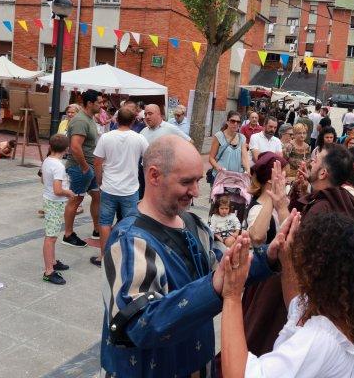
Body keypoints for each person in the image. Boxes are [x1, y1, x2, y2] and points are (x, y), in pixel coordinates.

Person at [100, 135, 281, 377]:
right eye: (186, 182)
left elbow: (228, 267)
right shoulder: (130, 239)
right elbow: (139, 324)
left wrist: (270, 255)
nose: (195, 191)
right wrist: (214, 287)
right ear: (154, 176)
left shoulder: (193, 223)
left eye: (197, 180)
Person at [220, 212, 354, 378]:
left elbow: (240, 374)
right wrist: (286, 258)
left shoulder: (320, 339)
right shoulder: (336, 319)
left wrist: (232, 295)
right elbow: (296, 306)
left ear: (315, 270)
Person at [241, 153, 291, 355]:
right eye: (283, 175)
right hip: (260, 279)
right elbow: (258, 236)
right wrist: (271, 196)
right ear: (272, 178)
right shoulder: (257, 208)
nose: (287, 179)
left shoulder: (280, 204)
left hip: (277, 277)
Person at [91, 107, 149, 267]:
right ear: (132, 121)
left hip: (109, 187)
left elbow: (97, 161)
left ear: (116, 120)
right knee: (130, 223)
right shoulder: (139, 139)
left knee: (105, 222)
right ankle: (126, 255)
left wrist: (99, 180)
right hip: (130, 189)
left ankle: (104, 256)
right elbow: (149, 160)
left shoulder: (106, 137)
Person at [63, 90, 102, 248]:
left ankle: (97, 230)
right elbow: (75, 147)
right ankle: (68, 234)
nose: (102, 105)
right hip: (80, 168)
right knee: (76, 200)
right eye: (99, 102)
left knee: (97, 196)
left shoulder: (89, 119)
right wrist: (85, 167)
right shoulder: (80, 121)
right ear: (90, 103)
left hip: (89, 167)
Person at [40, 134, 75, 285]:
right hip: (54, 202)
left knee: (52, 234)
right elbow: (57, 190)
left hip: (50, 201)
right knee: (51, 237)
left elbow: (42, 179)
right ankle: (48, 271)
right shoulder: (59, 166)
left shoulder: (47, 160)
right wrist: (69, 193)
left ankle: (53, 262)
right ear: (66, 149)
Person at [209, 111, 250, 178]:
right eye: (232, 121)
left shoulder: (242, 138)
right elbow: (211, 158)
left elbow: (244, 158)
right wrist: (218, 168)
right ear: (227, 122)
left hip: (237, 177)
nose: (235, 123)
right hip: (220, 176)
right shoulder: (219, 136)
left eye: (238, 122)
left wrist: (248, 170)